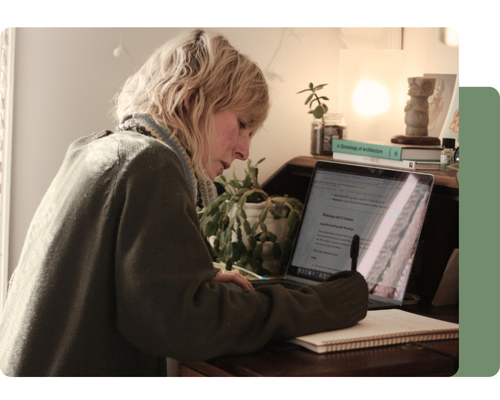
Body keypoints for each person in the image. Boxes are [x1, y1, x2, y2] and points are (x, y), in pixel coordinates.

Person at [0, 29, 368, 377]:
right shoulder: (151, 162)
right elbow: (187, 326)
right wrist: (325, 304)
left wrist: (195, 284)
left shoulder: (94, 150)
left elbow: (136, 295)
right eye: (241, 124)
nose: (244, 150)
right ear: (192, 100)